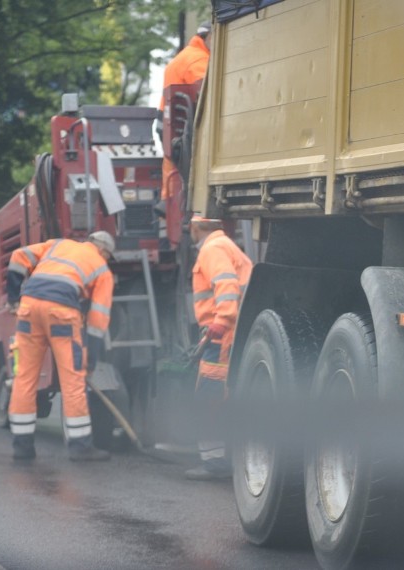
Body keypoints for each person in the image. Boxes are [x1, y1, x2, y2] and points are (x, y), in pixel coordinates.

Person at [5, 231, 116, 462]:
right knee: (73, 381)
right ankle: (80, 447)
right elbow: (97, 321)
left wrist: (14, 298)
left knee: (24, 378)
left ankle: (22, 447)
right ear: (104, 251)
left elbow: (18, 256)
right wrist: (91, 359)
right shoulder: (102, 270)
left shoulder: (57, 245)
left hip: (28, 308)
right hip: (62, 314)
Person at [186, 214, 253, 480]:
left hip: (222, 335)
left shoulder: (213, 249)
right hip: (227, 333)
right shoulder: (224, 245)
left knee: (209, 396)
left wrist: (221, 320)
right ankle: (223, 458)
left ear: (196, 227)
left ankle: (214, 463)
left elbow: (226, 287)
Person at [157, 20, 212, 208]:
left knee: (172, 178)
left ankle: (170, 213)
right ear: (209, 37)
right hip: (183, 129)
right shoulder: (199, 59)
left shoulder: (183, 56)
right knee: (185, 181)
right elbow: (207, 94)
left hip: (170, 127)